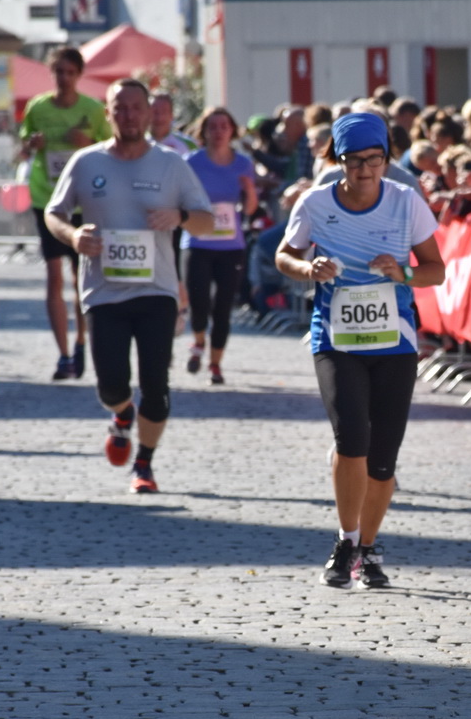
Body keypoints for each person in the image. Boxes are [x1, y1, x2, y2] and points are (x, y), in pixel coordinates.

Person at [274, 113, 446, 590]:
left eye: (374, 160)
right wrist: (309, 269)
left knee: (383, 457)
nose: (365, 170)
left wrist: (404, 273)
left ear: (387, 160)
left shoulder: (406, 202)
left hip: (395, 342)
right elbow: (283, 256)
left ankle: (369, 549)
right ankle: (346, 541)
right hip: (336, 338)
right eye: (355, 161)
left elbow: (437, 270)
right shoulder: (315, 203)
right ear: (339, 161)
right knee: (352, 436)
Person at [44, 78, 215, 494]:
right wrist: (72, 237)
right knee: (111, 384)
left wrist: (178, 216)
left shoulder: (172, 164)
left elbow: (208, 222)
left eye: (137, 107)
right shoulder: (87, 163)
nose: (129, 115)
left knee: (156, 383)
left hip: (157, 291)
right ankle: (121, 415)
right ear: (108, 113)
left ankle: (145, 463)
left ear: (151, 113)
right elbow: (54, 212)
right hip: (103, 292)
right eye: (120, 108)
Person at [20, 45, 112, 380]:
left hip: (84, 200)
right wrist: (33, 145)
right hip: (48, 198)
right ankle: (62, 354)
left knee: (81, 277)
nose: (64, 78)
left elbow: (109, 150)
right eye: (58, 71)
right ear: (52, 72)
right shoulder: (37, 107)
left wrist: (85, 143)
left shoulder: (92, 109)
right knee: (54, 275)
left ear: (79, 75)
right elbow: (23, 144)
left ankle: (82, 342)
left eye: (70, 72)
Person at [181, 107, 259, 384]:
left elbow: (250, 209)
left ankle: (215, 364)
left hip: (230, 245)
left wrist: (249, 190)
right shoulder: (191, 162)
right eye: (212, 127)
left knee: (223, 307)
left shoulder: (243, 164)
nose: (218, 132)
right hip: (198, 241)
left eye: (223, 126)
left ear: (232, 131)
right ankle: (199, 340)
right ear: (204, 131)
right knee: (199, 301)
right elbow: (181, 198)